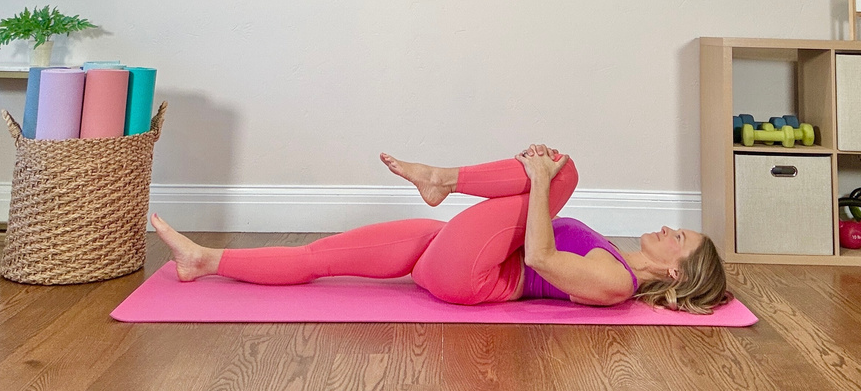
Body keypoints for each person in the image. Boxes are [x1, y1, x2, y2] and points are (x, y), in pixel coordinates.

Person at [152, 144, 731, 314]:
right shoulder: (617, 262)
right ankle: (205, 260)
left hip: (475, 277)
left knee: (564, 169)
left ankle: (441, 178)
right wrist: (535, 183)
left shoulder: (619, 284)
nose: (665, 228)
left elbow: (538, 257)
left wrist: (539, 182)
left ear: (677, 270)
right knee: (320, 256)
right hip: (451, 256)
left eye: (678, 237)